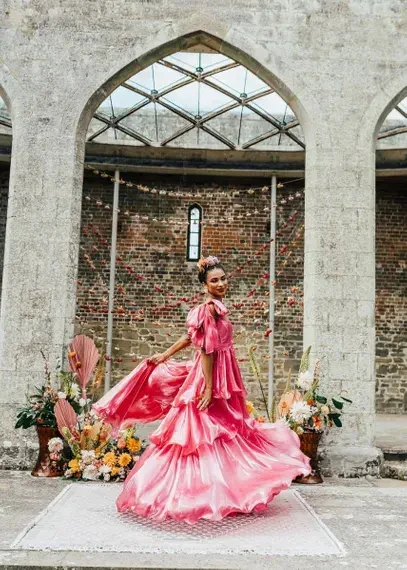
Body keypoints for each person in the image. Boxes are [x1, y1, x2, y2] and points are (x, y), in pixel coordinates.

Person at [93, 256, 311, 524]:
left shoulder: (215, 308)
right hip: (212, 375)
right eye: (214, 281)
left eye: (223, 278)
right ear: (205, 285)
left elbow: (190, 336)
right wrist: (208, 388)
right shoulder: (208, 309)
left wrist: (166, 353)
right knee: (202, 431)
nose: (221, 283)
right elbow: (206, 350)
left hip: (223, 373)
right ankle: (196, 494)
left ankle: (226, 491)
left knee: (224, 430)